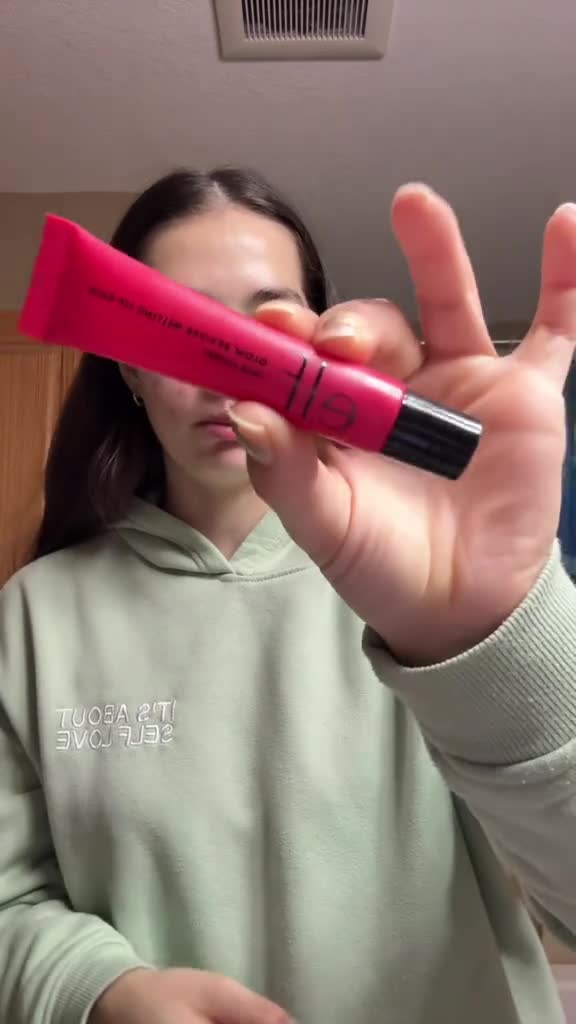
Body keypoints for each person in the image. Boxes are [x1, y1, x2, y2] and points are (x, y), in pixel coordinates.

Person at [0, 168, 575, 1024]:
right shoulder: (35, 615)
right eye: (178, 327)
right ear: (127, 367)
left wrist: (495, 645)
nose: (223, 372)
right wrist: (99, 990)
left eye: (264, 327)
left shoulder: (425, 590)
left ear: (320, 347)